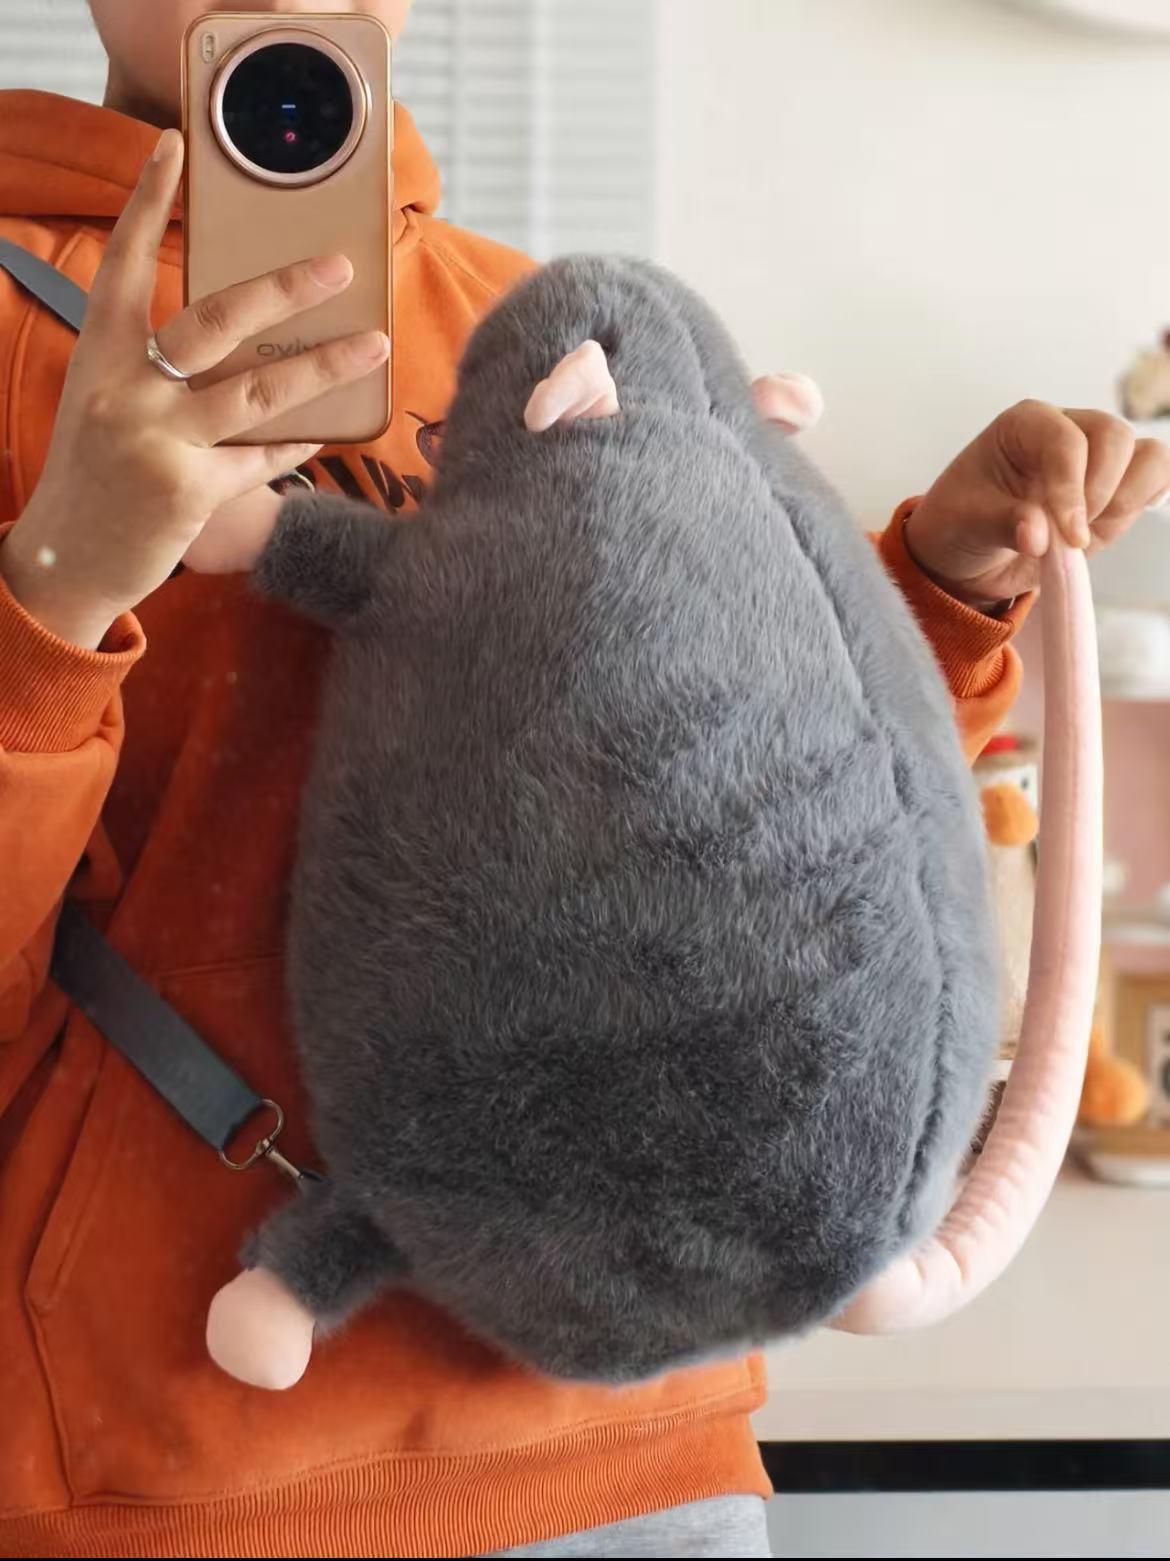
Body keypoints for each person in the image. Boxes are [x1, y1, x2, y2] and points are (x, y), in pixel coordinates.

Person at [1, 3, 1166, 1557]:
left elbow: (743, 832)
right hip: (181, 1469)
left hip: (641, 1453)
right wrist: (58, 589)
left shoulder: (546, 329)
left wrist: (938, 589)